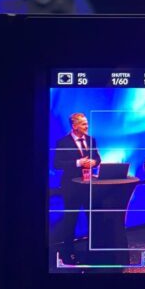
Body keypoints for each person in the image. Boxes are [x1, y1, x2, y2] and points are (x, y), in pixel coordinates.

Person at [52, 113, 101, 264]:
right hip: (71, 187)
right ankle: (67, 254)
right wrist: (78, 163)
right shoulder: (63, 142)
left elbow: (98, 158)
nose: (87, 126)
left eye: (87, 123)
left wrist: (94, 162)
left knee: (93, 219)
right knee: (71, 220)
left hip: (88, 186)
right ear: (74, 126)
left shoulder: (91, 140)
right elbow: (57, 164)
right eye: (84, 124)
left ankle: (93, 252)